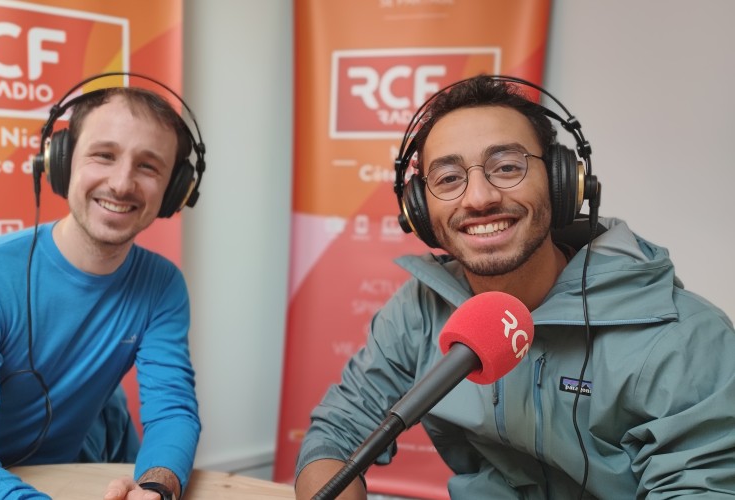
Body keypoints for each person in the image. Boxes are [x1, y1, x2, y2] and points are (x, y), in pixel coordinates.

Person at [294, 75, 735, 498]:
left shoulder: (687, 338)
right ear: (419, 210)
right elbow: (339, 431)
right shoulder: (421, 309)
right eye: (448, 178)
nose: (479, 198)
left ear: (564, 181)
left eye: (507, 167)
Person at [0, 82, 203, 500]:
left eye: (149, 166)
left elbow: (172, 410)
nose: (123, 183)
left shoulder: (163, 286)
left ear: (173, 191)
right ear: (63, 161)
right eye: (104, 155)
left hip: (57, 476)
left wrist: (155, 487)